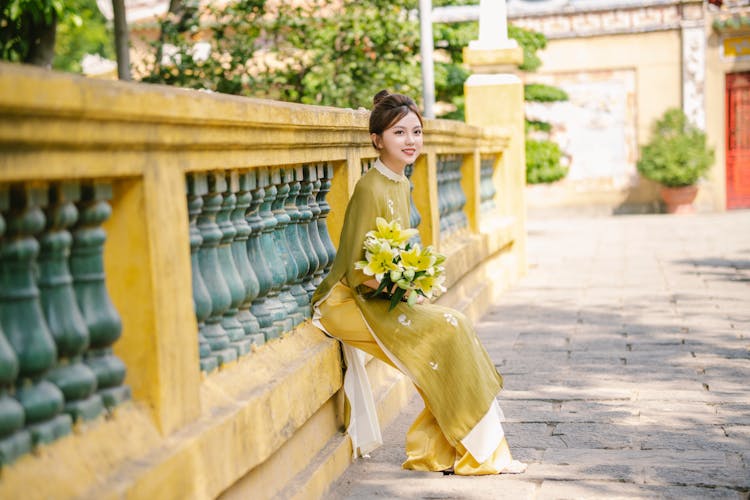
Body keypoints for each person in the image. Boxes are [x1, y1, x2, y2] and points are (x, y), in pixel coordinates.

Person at [311, 90, 526, 475]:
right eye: (399, 133)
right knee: (446, 332)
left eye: (416, 132)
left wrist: (414, 283)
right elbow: (357, 268)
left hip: (384, 297)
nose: (411, 141)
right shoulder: (369, 188)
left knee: (451, 332)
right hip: (350, 303)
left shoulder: (402, 182)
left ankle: (439, 453)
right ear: (377, 139)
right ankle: (476, 455)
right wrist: (402, 287)